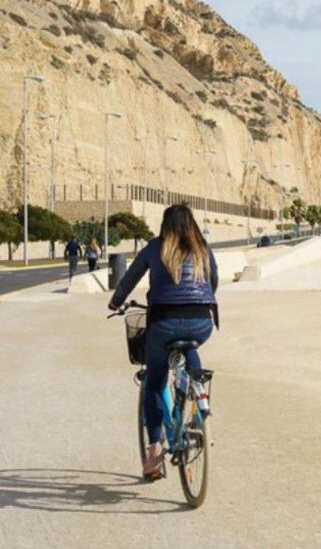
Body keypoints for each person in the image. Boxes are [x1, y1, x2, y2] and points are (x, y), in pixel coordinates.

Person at [108, 204, 219, 480]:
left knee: (155, 383)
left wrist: (115, 302)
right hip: (202, 321)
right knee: (190, 344)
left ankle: (155, 451)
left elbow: (129, 279)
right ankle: (197, 391)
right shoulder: (202, 247)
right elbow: (213, 282)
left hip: (164, 322)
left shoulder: (155, 247)